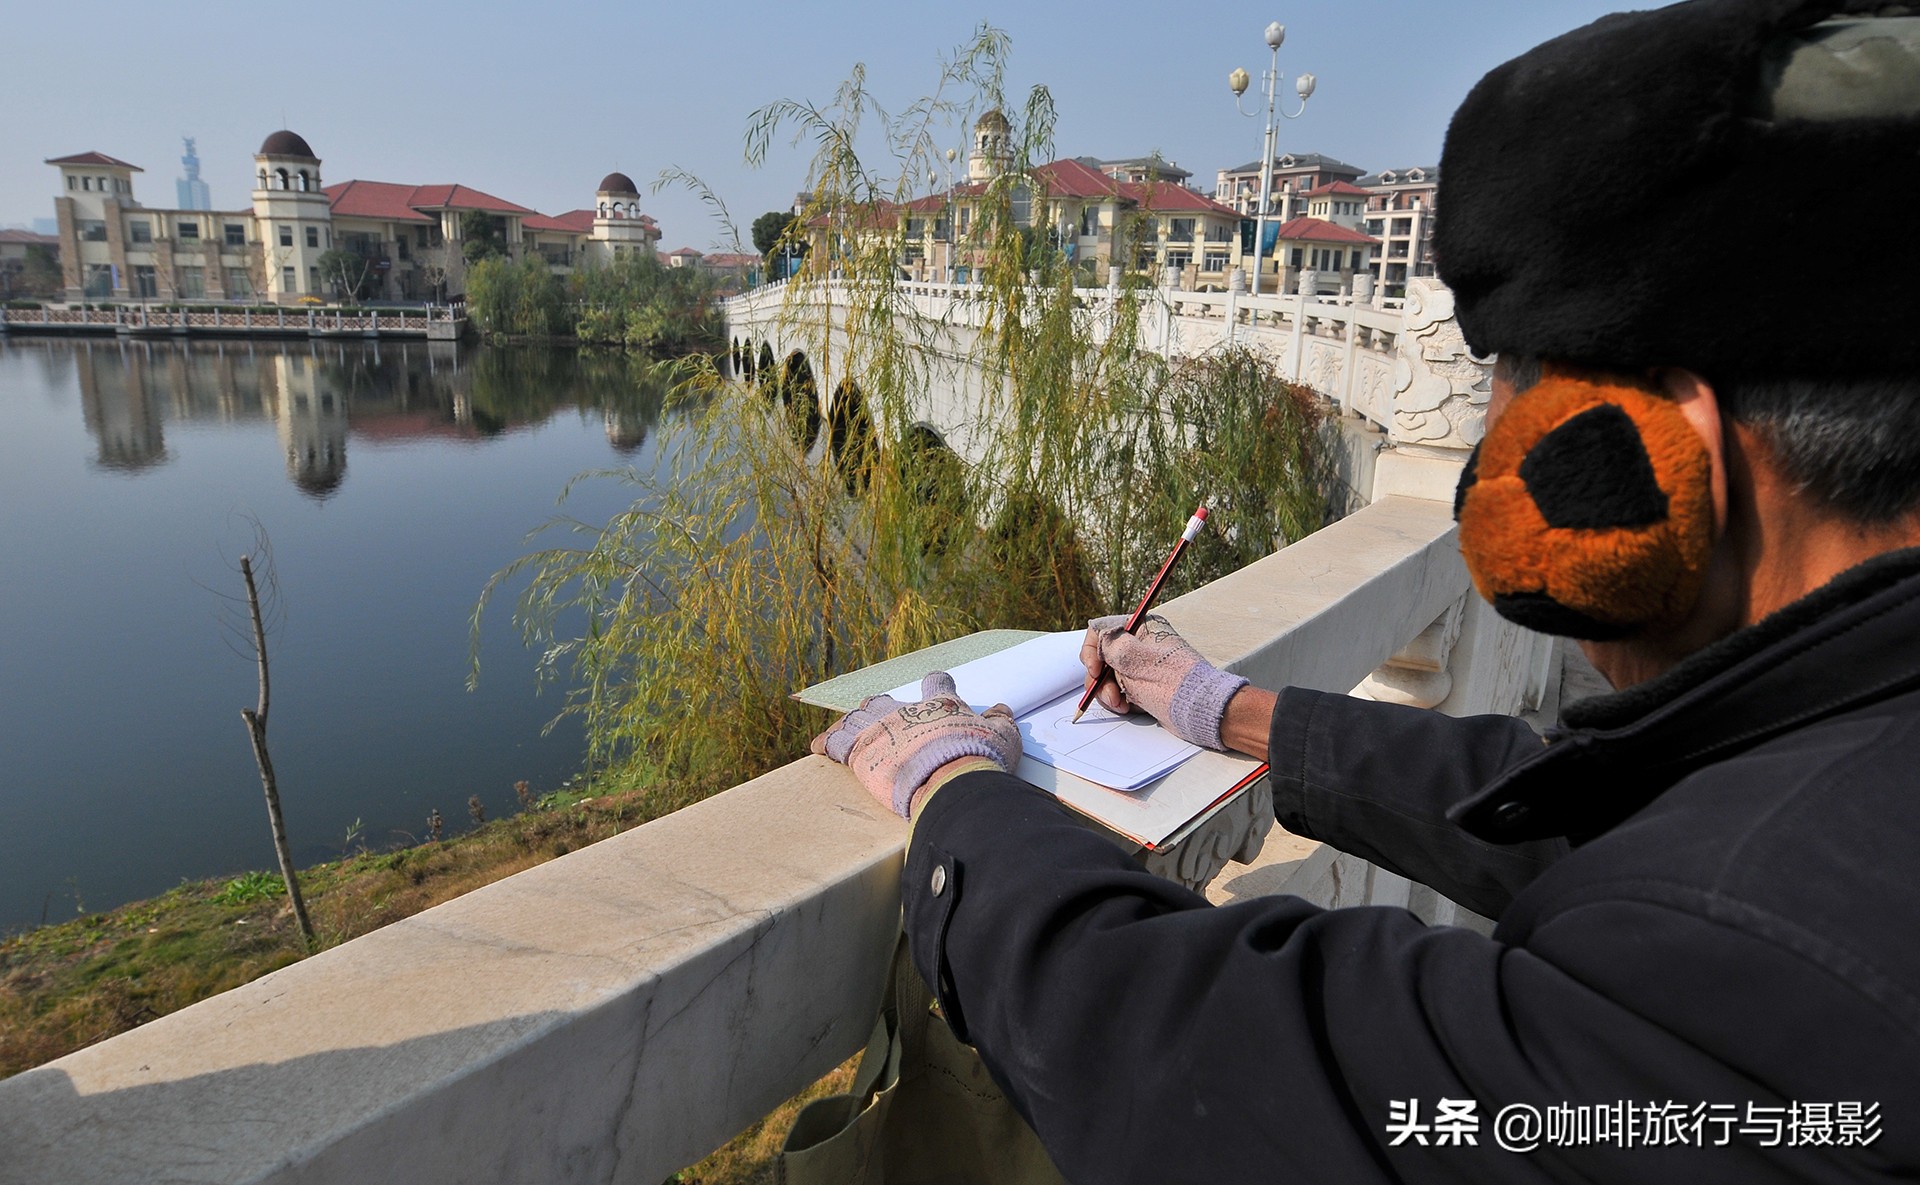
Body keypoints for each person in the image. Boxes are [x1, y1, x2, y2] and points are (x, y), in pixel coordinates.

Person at [812, 0, 1920, 1178]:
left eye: (1509, 460)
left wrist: (957, 800)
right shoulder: (1838, 768)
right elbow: (1591, 813)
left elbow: (1225, 1071)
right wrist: (1226, 709)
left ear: (1663, 459)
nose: (1495, 523)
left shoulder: (1753, 975)